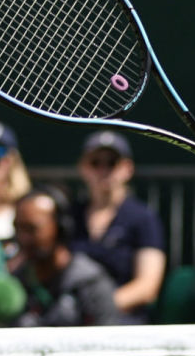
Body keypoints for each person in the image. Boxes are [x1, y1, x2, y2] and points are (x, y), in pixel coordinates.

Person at [63, 130, 167, 322]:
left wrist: (99, 306)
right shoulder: (70, 215)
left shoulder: (143, 217)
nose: (104, 170)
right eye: (96, 163)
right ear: (83, 167)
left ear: (127, 168)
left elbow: (147, 287)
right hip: (73, 318)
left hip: (124, 321)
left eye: (111, 163)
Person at [9, 185, 127, 327]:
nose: (23, 238)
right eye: (18, 228)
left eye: (31, 229)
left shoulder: (91, 284)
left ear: (60, 228)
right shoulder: (15, 284)